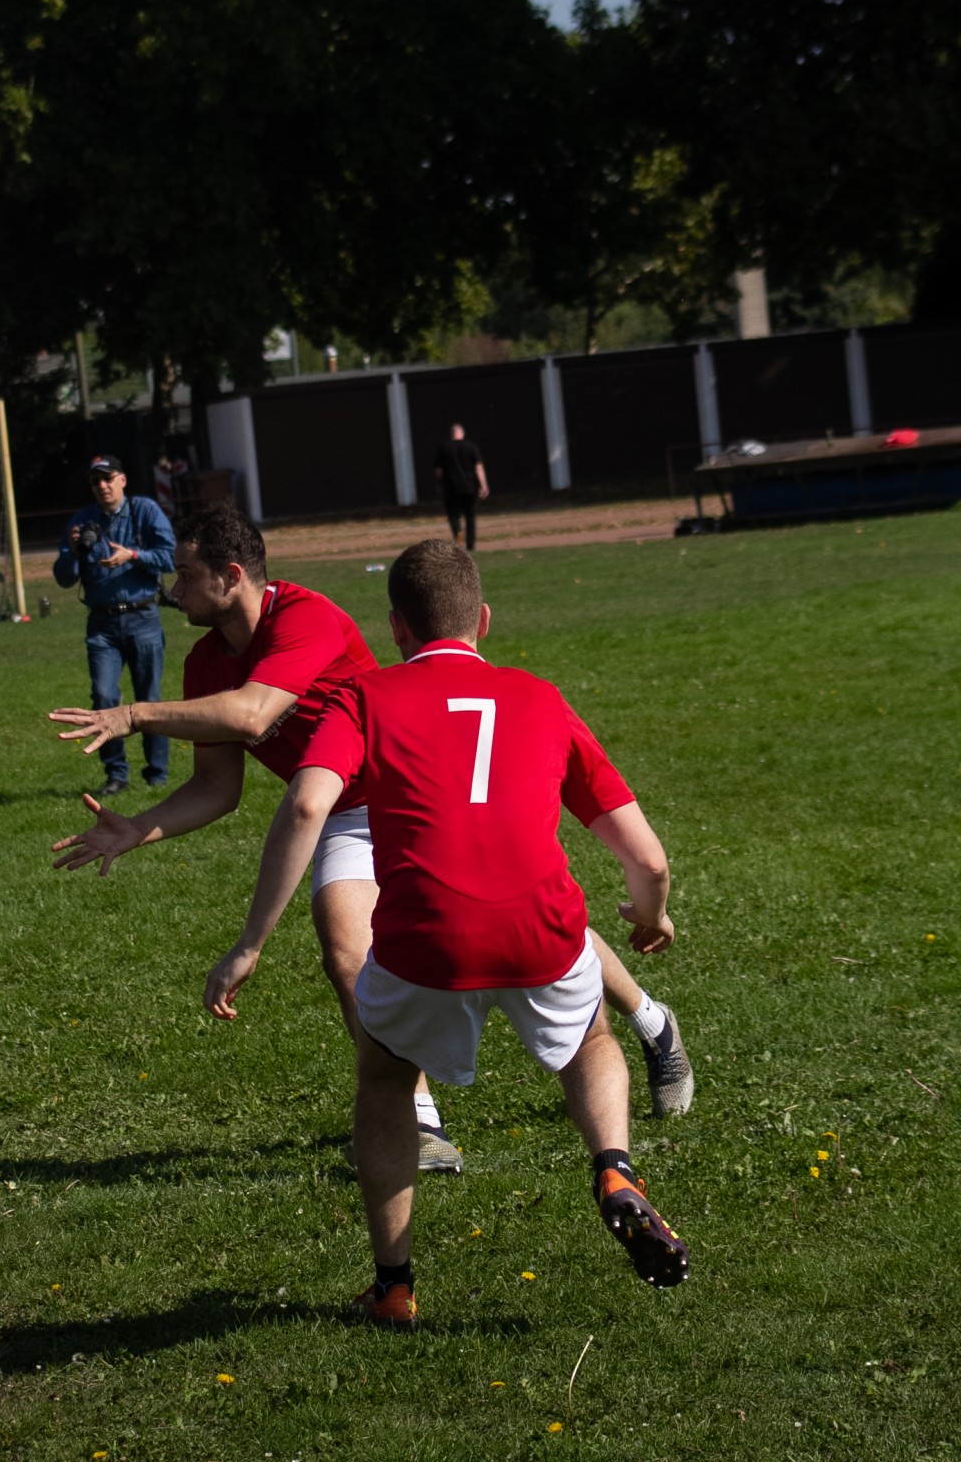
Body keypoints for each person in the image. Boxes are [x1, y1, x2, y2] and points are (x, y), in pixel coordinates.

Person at [204, 539, 689, 1327]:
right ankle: (614, 1168)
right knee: (591, 1040)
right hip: (541, 928)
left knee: (387, 1080)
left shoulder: (364, 698)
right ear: (484, 621)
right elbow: (646, 856)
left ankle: (394, 1285)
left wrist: (250, 942)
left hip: (424, 937)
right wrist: (651, 911)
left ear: (395, 628)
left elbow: (303, 807)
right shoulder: (540, 696)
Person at [48, 500, 463, 1171]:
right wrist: (137, 831)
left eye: (185, 576)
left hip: (416, 797)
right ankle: (416, 1120)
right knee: (347, 958)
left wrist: (133, 713)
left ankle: (649, 1021)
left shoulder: (308, 617)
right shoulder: (206, 664)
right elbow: (219, 786)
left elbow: (251, 716)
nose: (172, 589)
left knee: (514, 940)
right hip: (340, 813)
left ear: (231, 576)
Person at [52, 455, 176, 797]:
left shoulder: (145, 511)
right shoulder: (82, 522)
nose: (103, 486)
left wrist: (134, 556)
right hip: (102, 624)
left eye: (108, 478)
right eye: (96, 481)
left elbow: (170, 556)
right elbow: (63, 579)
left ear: (122, 479)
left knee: (148, 700)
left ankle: (157, 775)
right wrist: (74, 552)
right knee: (104, 696)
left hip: (143, 617)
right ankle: (116, 775)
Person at [433, 421, 489, 550]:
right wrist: (483, 485)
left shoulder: (444, 448)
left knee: (454, 517)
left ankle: (459, 542)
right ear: (462, 433)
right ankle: (470, 544)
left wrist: (439, 484)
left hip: (451, 488)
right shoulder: (471, 447)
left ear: (451, 434)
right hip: (470, 487)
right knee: (470, 517)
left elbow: (438, 471)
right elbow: (479, 467)